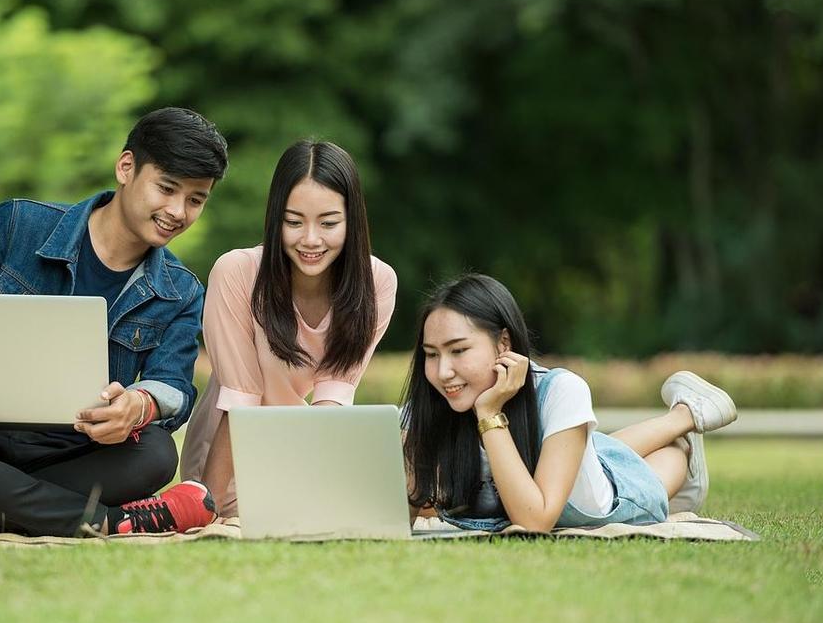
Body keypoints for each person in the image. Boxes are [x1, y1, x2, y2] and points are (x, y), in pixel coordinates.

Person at [0, 107, 228, 538]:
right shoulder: (15, 224)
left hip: (73, 452)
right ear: (126, 167)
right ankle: (108, 522)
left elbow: (172, 385)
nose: (177, 210)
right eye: (166, 188)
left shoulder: (182, 290)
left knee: (154, 452)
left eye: (195, 199)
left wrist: (139, 406)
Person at [402, 273, 738, 531]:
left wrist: (489, 413)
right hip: (579, 456)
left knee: (664, 458)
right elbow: (404, 511)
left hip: (611, 496)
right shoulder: (432, 405)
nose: (443, 371)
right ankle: (684, 413)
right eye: (431, 354)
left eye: (459, 350)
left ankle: (684, 424)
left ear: (503, 343)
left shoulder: (562, 390)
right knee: (596, 448)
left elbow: (534, 521)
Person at [180, 140, 399, 517]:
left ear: (353, 220)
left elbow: (333, 400)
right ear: (275, 218)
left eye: (329, 223)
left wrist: (317, 486)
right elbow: (239, 404)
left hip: (306, 444)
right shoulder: (237, 273)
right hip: (226, 457)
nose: (310, 240)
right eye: (294, 222)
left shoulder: (377, 282)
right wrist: (207, 512)